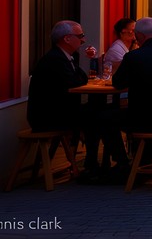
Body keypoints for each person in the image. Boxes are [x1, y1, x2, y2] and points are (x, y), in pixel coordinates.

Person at [27, 20, 127, 180]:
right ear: (67, 39)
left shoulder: (65, 57)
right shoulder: (56, 60)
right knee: (99, 116)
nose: (83, 40)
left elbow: (81, 77)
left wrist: (90, 59)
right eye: (80, 36)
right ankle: (100, 164)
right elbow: (76, 81)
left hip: (57, 112)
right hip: (48, 117)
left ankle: (97, 163)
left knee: (99, 113)